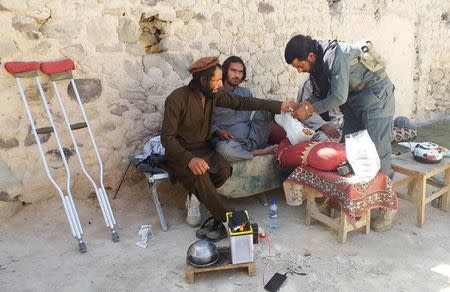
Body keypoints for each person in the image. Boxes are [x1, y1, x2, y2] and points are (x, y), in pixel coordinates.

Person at [161, 56, 296, 241]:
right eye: (215, 80)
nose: (219, 84)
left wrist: (278, 105)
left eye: (219, 79)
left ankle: (210, 210)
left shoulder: (214, 95)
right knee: (200, 175)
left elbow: (243, 103)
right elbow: (167, 139)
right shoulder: (176, 99)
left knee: (224, 170)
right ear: (202, 80)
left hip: (203, 150)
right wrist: (189, 160)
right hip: (182, 154)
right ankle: (227, 218)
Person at [285, 35, 397, 232]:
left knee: (379, 150)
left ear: (310, 56)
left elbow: (337, 96)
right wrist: (306, 103)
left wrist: (309, 110)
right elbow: (322, 92)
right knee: (349, 149)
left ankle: (388, 206)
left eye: (299, 66)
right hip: (354, 101)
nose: (299, 71)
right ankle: (354, 200)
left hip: (376, 98)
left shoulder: (336, 56)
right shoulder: (319, 62)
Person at [210, 56, 276, 161]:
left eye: (240, 72)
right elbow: (204, 122)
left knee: (273, 102)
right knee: (223, 150)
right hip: (232, 143)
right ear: (224, 71)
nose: (237, 75)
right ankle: (255, 153)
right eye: (233, 70)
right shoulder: (215, 94)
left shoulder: (246, 93)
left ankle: (295, 134)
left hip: (254, 136)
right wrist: (219, 132)